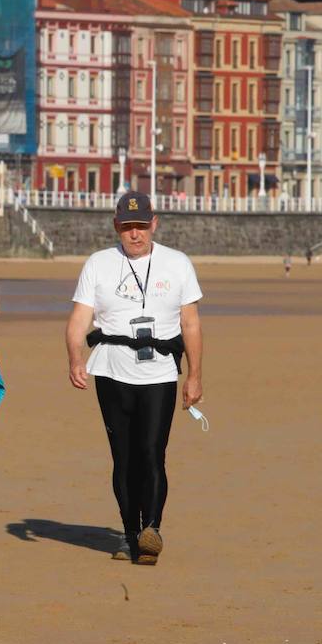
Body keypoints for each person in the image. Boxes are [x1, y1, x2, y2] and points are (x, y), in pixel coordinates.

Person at [65, 191, 203, 566]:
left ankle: (151, 531)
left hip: (159, 372)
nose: (135, 234)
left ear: (154, 223)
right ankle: (129, 534)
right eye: (128, 227)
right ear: (116, 227)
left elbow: (190, 323)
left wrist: (194, 376)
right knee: (123, 458)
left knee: (152, 453)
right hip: (111, 370)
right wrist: (75, 357)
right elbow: (80, 319)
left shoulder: (177, 264)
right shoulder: (98, 264)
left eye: (142, 226)